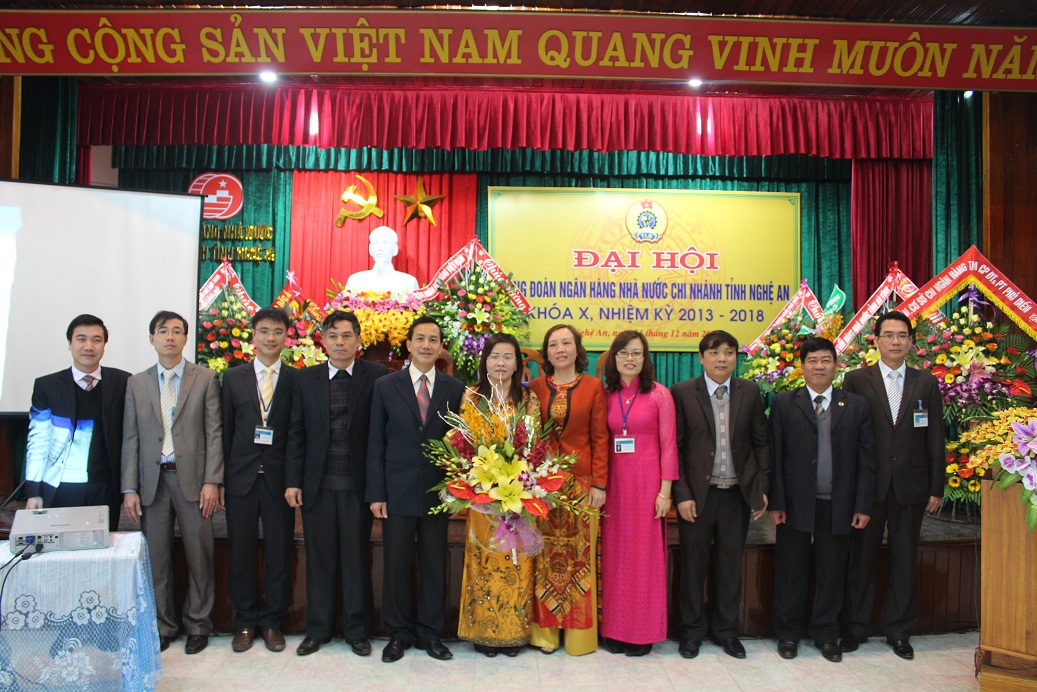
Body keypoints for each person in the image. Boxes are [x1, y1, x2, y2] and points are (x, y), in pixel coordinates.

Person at [840, 311, 945, 660]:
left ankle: (899, 631)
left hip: (911, 486)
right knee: (861, 559)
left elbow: (935, 437)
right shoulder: (856, 380)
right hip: (868, 487)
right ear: (876, 340)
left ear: (911, 341)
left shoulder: (925, 383)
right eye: (889, 335)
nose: (895, 341)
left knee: (904, 560)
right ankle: (855, 628)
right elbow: (847, 436)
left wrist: (936, 487)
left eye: (902, 335)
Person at [284, 310, 388, 657]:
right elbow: (296, 433)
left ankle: (357, 631)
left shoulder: (377, 376)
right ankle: (318, 630)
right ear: (323, 341)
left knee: (356, 559)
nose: (340, 342)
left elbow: (380, 435)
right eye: (333, 336)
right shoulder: (306, 379)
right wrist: (293, 481)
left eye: (346, 336)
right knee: (320, 560)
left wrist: (377, 487)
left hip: (358, 487)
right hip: (318, 486)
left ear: (358, 340)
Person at [121, 311, 223, 655]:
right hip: (152, 483)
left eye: (177, 331)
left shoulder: (205, 378)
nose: (170, 337)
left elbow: (214, 433)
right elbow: (131, 438)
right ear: (152, 338)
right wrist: (129, 488)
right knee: (156, 559)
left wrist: (212, 480)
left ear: (185, 338)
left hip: (193, 481)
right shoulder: (136, 383)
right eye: (163, 331)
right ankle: (163, 626)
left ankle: (198, 625)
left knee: (199, 556)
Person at [768, 337, 875, 663]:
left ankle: (826, 634)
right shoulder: (784, 403)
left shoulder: (855, 405)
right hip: (794, 503)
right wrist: (776, 502)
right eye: (812, 361)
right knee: (791, 571)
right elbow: (775, 456)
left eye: (825, 360)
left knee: (832, 572)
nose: (819, 366)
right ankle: (788, 634)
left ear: (836, 366)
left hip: (838, 503)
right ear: (802, 366)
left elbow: (867, 460)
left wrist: (862, 505)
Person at [367, 316, 465, 663]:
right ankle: (399, 633)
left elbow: (461, 444)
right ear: (408, 345)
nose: (426, 345)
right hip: (397, 491)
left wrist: (456, 491)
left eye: (433, 339)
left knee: (434, 564)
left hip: (437, 492)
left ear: (440, 347)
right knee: (396, 564)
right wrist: (376, 493)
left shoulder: (455, 388)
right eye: (420, 339)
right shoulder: (385, 385)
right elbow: (375, 441)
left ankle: (429, 633)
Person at [670, 329, 770, 660]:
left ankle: (727, 632)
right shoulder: (683, 392)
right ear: (701, 358)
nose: (722, 359)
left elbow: (761, 443)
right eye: (714, 353)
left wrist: (762, 489)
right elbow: (676, 448)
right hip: (698, 497)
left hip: (736, 496)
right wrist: (682, 494)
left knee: (730, 566)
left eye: (728, 352)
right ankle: (691, 632)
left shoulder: (749, 391)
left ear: (736, 358)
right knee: (693, 567)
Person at [457, 333, 541, 658]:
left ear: (517, 363)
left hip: (517, 495)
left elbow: (533, 444)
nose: (501, 363)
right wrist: (481, 480)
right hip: (482, 496)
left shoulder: (527, 399)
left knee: (517, 564)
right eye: (495, 356)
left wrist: (519, 479)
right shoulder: (472, 395)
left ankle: (513, 634)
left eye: (508, 357)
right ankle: (483, 633)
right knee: (485, 562)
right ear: (485, 361)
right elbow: (464, 443)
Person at [528, 324, 609, 656]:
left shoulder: (593, 387)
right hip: (541, 487)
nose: (560, 349)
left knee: (579, 559)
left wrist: (600, 483)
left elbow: (601, 438)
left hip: (582, 485)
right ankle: (545, 635)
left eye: (566, 343)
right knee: (544, 557)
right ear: (546, 353)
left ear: (578, 349)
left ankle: (579, 638)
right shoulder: (534, 387)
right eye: (553, 344)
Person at [221, 307, 297, 653]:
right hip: (241, 479)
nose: (270, 337)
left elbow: (297, 434)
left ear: (286, 337)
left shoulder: (296, 379)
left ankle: (272, 623)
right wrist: (221, 480)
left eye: (277, 332)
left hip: (279, 482)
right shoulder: (232, 378)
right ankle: (245, 622)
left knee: (279, 552)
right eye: (264, 331)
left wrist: (294, 480)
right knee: (241, 552)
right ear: (253, 336)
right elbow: (224, 431)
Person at [600, 330, 678, 657]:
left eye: (637, 353)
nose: (630, 359)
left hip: (648, 487)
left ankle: (642, 632)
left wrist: (665, 492)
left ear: (646, 359)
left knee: (644, 560)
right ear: (614, 358)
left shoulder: (660, 395)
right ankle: (614, 630)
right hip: (614, 487)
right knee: (615, 558)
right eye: (623, 353)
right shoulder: (606, 395)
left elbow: (669, 446)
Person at [25, 314, 130, 530]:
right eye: (81, 339)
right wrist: (34, 491)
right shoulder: (47, 386)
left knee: (102, 546)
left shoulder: (123, 382)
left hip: (104, 486)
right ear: (70, 343)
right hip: (60, 486)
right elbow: (38, 440)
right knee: (60, 546)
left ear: (104, 345)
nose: (88, 346)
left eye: (96, 340)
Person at [343, 225, 420, 296]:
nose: (380, 248)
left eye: (385, 243)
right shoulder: (355, 280)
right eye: (376, 243)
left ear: (395, 249)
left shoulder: (409, 282)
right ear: (370, 249)